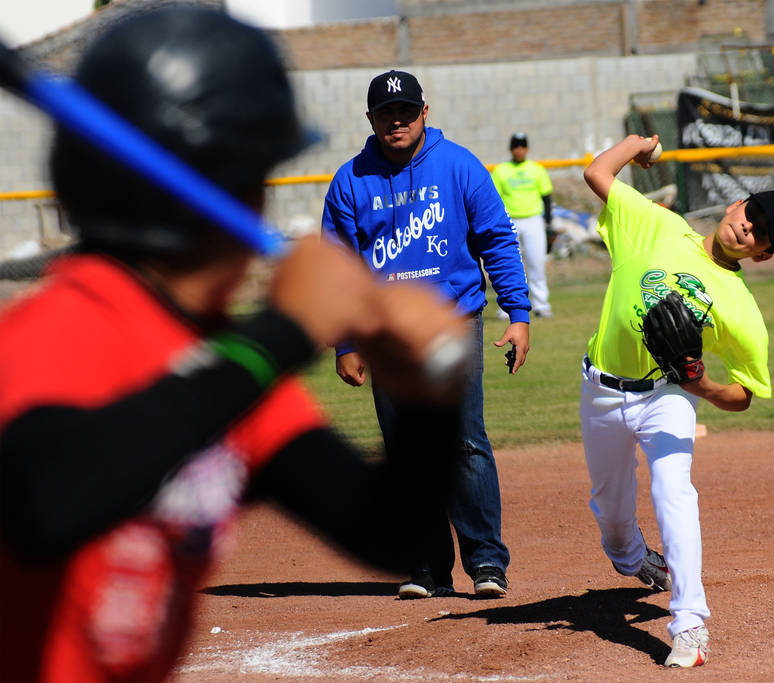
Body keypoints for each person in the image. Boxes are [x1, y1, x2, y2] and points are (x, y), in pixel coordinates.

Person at [0, 8, 469, 682]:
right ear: (231, 188)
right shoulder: (58, 329)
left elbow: (386, 528)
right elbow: (42, 501)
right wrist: (284, 332)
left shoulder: (222, 363)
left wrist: (429, 398)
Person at [578, 134, 774, 668]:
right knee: (611, 515)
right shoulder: (658, 225)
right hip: (602, 391)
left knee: (674, 491)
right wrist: (637, 146)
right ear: (735, 204)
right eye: (753, 213)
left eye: (763, 234)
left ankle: (690, 624)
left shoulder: (741, 308)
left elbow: (744, 394)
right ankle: (636, 561)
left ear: (764, 254)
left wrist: (700, 384)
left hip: (668, 396)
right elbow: (596, 175)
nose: (750, 227)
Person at [322, 70, 531, 600]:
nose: (397, 120)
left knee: (463, 440)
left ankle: (486, 562)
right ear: (371, 119)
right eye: (386, 113)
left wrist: (519, 312)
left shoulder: (458, 165)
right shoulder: (350, 181)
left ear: (424, 112)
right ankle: (427, 568)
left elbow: (497, 240)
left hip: (452, 322)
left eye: (406, 111)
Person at [490, 132, 555, 317]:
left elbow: (547, 197)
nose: (519, 150)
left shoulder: (536, 170)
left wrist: (548, 222)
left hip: (533, 219)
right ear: (511, 149)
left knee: (537, 263)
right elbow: (494, 199)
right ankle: (508, 306)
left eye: (522, 146)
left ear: (526, 148)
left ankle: (541, 305)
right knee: (509, 264)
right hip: (510, 221)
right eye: (516, 146)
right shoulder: (501, 171)